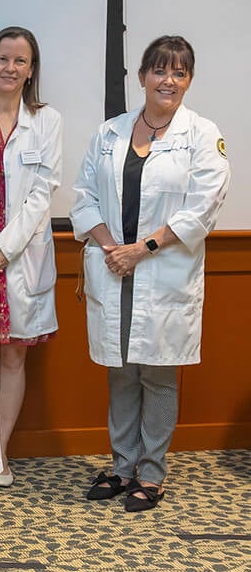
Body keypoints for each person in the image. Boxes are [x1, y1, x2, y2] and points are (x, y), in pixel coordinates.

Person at [71, 35, 229, 512]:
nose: (169, 80)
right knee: (120, 375)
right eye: (160, 70)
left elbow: (203, 209)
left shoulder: (202, 135)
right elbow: (84, 196)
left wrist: (141, 250)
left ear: (189, 81)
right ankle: (122, 466)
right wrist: (110, 248)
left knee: (158, 375)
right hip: (113, 267)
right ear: (142, 76)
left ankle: (152, 473)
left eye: (180, 72)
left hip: (163, 273)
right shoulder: (110, 133)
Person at [0, 26, 62, 488]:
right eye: (3, 58)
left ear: (31, 70)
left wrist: (3, 248)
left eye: (20, 61)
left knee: (13, 360)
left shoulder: (47, 121)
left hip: (18, 256)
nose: (10, 68)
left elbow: (42, 193)